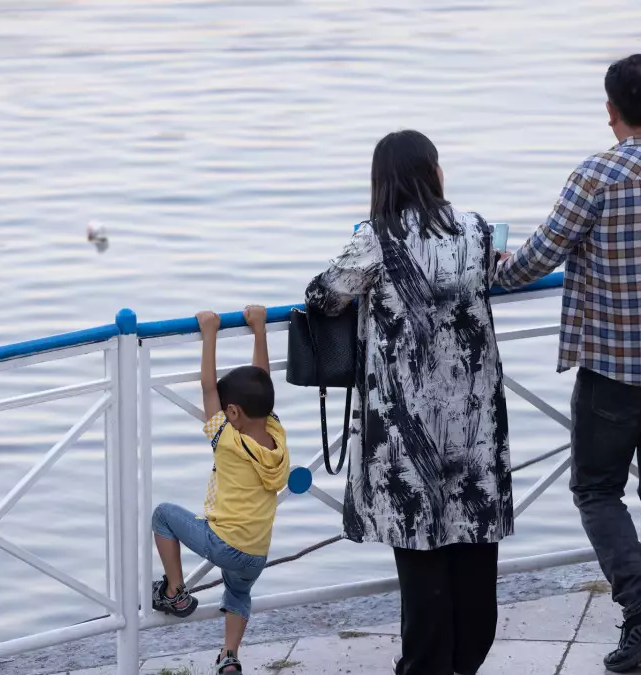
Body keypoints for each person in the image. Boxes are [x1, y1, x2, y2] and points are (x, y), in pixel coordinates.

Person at [496, 54, 641, 673]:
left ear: (611, 112)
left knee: (597, 489)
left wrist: (489, 275)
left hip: (613, 367)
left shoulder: (595, 176)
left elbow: (539, 257)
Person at [305, 129, 514, 675]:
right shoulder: (477, 228)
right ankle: (465, 662)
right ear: (433, 172)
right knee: (473, 552)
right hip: (475, 426)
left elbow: (322, 295)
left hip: (406, 432)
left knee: (422, 564)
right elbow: (493, 272)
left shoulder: (377, 237)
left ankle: (423, 667)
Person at [150, 305, 289, 675]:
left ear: (232, 413)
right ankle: (229, 656)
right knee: (239, 593)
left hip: (224, 544)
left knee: (163, 515)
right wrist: (259, 328)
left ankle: (174, 592)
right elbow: (262, 378)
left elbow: (207, 386)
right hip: (257, 553)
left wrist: (209, 331)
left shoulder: (225, 439)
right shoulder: (277, 435)